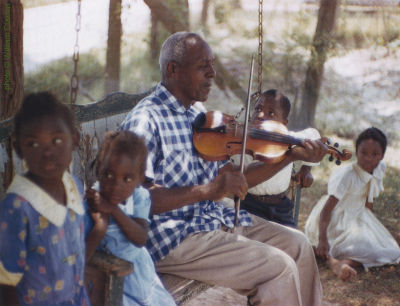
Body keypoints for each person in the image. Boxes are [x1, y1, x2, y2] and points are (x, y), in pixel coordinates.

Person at [120, 31, 328, 306]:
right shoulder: (146, 120)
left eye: (212, 65)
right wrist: (208, 191)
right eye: (203, 66)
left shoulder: (198, 115)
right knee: (279, 268)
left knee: (298, 245)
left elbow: (231, 178)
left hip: (210, 220)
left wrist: (288, 156)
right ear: (173, 69)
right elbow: (135, 199)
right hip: (174, 238)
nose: (213, 73)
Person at [0, 92, 90, 305]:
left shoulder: (74, 187)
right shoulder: (17, 208)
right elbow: (7, 281)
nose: (47, 152)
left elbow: (77, 247)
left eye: (56, 140)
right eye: (33, 144)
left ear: (74, 139)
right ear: (19, 150)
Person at [85, 130, 176, 306]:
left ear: (139, 179)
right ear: (99, 171)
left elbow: (140, 238)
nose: (116, 186)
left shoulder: (139, 197)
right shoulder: (91, 202)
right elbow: (83, 255)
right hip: (107, 279)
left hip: (140, 272)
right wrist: (100, 227)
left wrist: (112, 209)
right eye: (109, 175)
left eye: (127, 178)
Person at [305, 127, 400, 281]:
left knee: (391, 250)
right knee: (365, 246)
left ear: (382, 155)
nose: (369, 158)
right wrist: (322, 238)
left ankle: (343, 262)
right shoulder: (348, 175)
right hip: (335, 220)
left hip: (358, 216)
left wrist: (374, 228)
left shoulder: (379, 168)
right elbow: (327, 209)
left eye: (375, 154)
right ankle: (331, 259)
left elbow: (369, 200)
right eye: (364, 153)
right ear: (356, 151)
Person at [231, 89, 320, 227]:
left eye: (271, 113)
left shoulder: (288, 140)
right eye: (258, 109)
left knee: (294, 242)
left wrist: (306, 168)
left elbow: (313, 134)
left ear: (283, 123)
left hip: (281, 208)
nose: (260, 115)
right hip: (248, 205)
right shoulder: (241, 143)